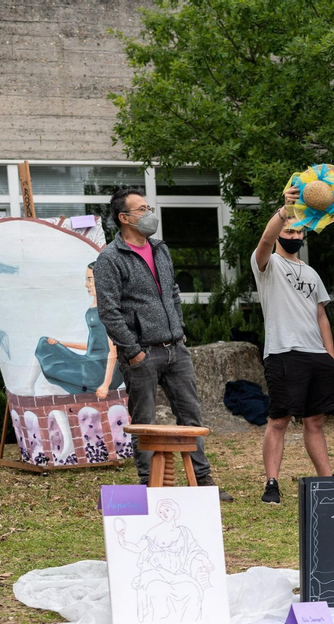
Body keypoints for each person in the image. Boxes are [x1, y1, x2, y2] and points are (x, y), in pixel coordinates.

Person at [92, 187, 228, 498]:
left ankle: (203, 483)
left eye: (148, 207)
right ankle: (149, 487)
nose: (149, 214)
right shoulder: (109, 259)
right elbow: (108, 311)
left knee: (191, 416)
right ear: (124, 218)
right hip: (142, 355)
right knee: (145, 424)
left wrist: (179, 330)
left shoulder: (160, 249)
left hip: (175, 349)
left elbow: (173, 292)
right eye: (142, 209)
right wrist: (133, 351)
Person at [252, 184, 334, 501]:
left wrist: (330, 356)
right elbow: (264, 240)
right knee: (280, 420)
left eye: (300, 232)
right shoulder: (267, 265)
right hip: (284, 352)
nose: (295, 236)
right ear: (280, 233)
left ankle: (327, 482)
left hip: (317, 356)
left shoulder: (312, 273)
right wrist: (284, 211)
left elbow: (321, 317)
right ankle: (271, 484)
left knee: (315, 421)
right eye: (290, 230)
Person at [34, 265, 120, 397]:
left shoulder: (107, 310)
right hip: (92, 365)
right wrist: (62, 343)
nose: (86, 285)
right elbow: (94, 346)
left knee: (43, 347)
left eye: (90, 279)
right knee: (46, 343)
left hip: (99, 371)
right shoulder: (92, 311)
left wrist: (105, 385)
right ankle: (29, 386)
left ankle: (28, 386)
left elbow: (112, 350)